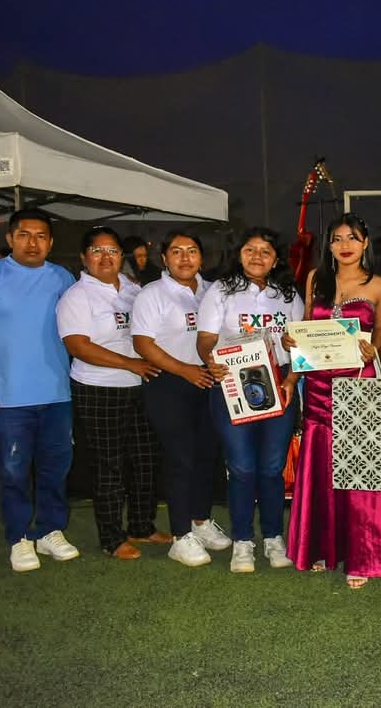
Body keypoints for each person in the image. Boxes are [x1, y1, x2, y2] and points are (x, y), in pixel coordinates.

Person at [0, 208, 80, 572]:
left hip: (56, 393)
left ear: (50, 242)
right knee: (13, 471)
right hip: (7, 397)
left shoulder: (62, 277)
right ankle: (19, 537)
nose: (32, 243)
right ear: (10, 239)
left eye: (41, 236)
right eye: (24, 235)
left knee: (56, 468)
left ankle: (50, 530)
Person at [282, 213, 381, 589]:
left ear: (365, 243)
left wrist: (372, 349)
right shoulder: (316, 278)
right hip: (316, 385)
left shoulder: (378, 285)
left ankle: (362, 556)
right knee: (319, 469)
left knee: (358, 471)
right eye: (337, 239)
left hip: (357, 385)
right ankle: (318, 547)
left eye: (353, 238)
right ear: (329, 245)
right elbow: (305, 329)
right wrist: (291, 349)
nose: (345, 245)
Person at [57, 226, 167, 560]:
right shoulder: (77, 296)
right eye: (97, 251)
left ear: (122, 256)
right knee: (109, 465)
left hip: (140, 385)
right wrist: (129, 364)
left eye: (113, 251)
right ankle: (111, 537)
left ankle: (141, 526)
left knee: (146, 459)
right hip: (99, 388)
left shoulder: (133, 289)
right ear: (84, 257)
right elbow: (78, 346)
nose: (106, 258)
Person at [197, 227, 303, 573]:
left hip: (280, 383)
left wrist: (291, 379)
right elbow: (206, 338)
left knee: (272, 467)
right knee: (241, 467)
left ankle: (273, 537)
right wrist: (210, 360)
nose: (257, 256)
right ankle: (242, 540)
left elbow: (300, 343)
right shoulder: (221, 290)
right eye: (250, 249)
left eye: (265, 251)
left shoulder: (287, 294)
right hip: (232, 382)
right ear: (239, 253)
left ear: (276, 259)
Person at [131, 230, 222, 567]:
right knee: (180, 458)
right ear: (164, 258)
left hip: (209, 380)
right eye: (177, 251)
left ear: (201, 257)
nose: (185, 258)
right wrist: (185, 370)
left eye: (192, 250)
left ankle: (200, 520)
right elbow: (143, 344)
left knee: (206, 455)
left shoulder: (213, 291)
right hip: (169, 382)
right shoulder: (152, 294)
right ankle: (181, 536)